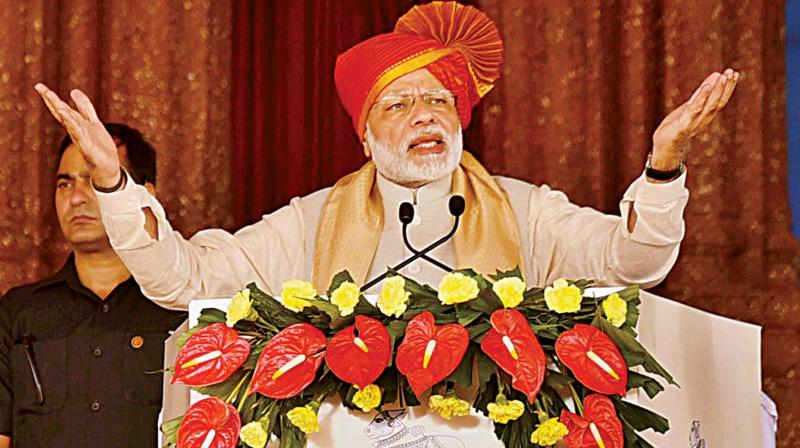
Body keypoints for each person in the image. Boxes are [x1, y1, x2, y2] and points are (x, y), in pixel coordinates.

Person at [33, 2, 737, 312]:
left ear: (460, 117)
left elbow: (633, 263)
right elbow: (184, 283)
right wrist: (113, 183)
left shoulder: (528, 211)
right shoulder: (309, 223)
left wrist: (664, 164)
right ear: (364, 138)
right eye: (397, 105)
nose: (424, 113)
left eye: (436, 100)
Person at [0, 124, 186, 448]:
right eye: (64, 183)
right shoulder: (19, 312)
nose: (76, 197)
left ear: (147, 197)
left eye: (96, 181)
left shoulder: (180, 310)